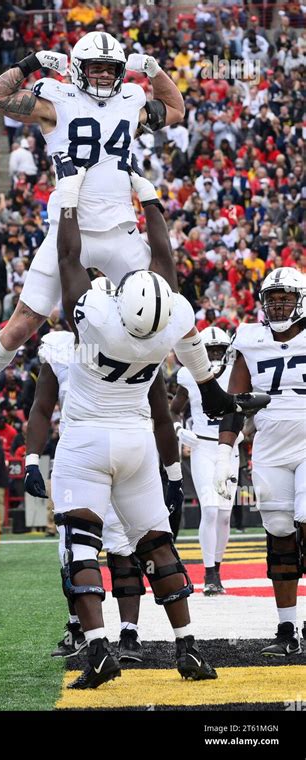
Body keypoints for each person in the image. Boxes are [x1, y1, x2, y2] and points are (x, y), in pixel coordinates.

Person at [40, 158, 269, 688]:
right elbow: (164, 257)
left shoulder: (97, 318)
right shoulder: (173, 319)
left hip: (87, 438)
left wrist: (70, 195)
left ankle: (98, 650)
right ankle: (188, 647)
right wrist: (150, 197)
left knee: (80, 542)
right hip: (138, 440)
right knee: (157, 545)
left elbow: (70, 255)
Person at [0, 34, 186, 456]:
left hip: (120, 228)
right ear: (78, 68)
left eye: (112, 68)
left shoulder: (129, 101)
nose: (105, 75)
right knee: (23, 323)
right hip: (68, 228)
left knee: (170, 308)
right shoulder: (57, 101)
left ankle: (210, 393)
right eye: (96, 67)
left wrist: (156, 71)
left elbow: (176, 109)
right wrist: (32, 61)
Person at [26, 294, 184, 662]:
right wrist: (32, 459)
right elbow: (41, 406)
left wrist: (173, 474)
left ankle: (129, 635)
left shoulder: (139, 340)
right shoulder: (63, 348)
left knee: (124, 546)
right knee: (75, 550)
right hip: (85, 455)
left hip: (121, 449)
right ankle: (80, 629)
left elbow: (162, 414)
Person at [215, 267, 306, 657]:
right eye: (273, 298)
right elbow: (235, 404)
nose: (279, 304)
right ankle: (287, 628)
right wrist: (224, 452)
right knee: (280, 533)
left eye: (286, 297)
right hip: (269, 445)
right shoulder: (250, 338)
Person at [171, 327, 241, 595]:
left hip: (229, 449)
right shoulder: (189, 375)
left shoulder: (237, 375)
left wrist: (243, 433)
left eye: (218, 350)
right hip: (201, 446)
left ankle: (218, 570)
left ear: (227, 352)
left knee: (224, 516)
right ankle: (209, 572)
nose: (213, 355)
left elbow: (248, 411)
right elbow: (175, 410)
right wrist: (180, 431)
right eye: (209, 350)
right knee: (210, 510)